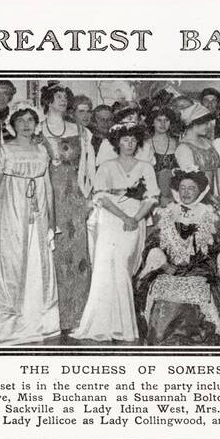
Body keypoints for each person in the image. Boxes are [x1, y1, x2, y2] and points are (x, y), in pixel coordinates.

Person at [0, 103, 60, 347]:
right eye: (21, 120)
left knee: (36, 264)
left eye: (31, 121)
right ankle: (4, 331)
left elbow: (47, 187)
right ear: (12, 125)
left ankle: (36, 326)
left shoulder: (42, 151)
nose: (26, 125)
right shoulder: (4, 151)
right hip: (10, 218)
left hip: (37, 216)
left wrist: (50, 222)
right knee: (11, 265)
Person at [72, 125, 159, 343]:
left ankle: (125, 326)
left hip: (135, 218)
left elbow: (151, 197)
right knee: (104, 268)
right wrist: (124, 217)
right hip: (111, 218)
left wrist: (136, 218)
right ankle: (104, 324)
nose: (129, 144)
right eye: (124, 140)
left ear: (137, 143)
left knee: (122, 267)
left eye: (132, 140)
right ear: (117, 142)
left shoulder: (146, 167)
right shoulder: (107, 166)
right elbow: (101, 196)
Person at [135, 170, 220, 345]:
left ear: (200, 191)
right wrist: (164, 264)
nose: (186, 192)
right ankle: (162, 337)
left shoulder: (209, 215)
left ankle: (191, 338)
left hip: (200, 268)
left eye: (191, 188)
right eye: (182, 188)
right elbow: (153, 244)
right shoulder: (166, 213)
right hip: (169, 267)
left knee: (199, 291)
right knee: (160, 288)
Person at [39, 82, 94, 335]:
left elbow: (87, 167)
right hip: (48, 195)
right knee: (54, 254)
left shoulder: (79, 130)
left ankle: (77, 316)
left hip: (73, 197)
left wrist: (86, 195)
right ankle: (53, 318)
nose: (62, 100)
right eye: (57, 96)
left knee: (77, 254)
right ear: (48, 100)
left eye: (64, 97)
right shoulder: (38, 128)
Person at [174, 102, 220, 207]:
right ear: (194, 123)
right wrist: (209, 198)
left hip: (213, 198)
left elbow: (218, 172)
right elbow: (192, 180)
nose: (208, 126)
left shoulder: (207, 142)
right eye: (205, 123)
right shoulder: (183, 148)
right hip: (196, 200)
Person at [147, 103, 180, 205]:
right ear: (152, 122)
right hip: (153, 192)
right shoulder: (146, 144)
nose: (163, 124)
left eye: (166, 120)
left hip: (174, 192)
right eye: (159, 120)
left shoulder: (176, 143)